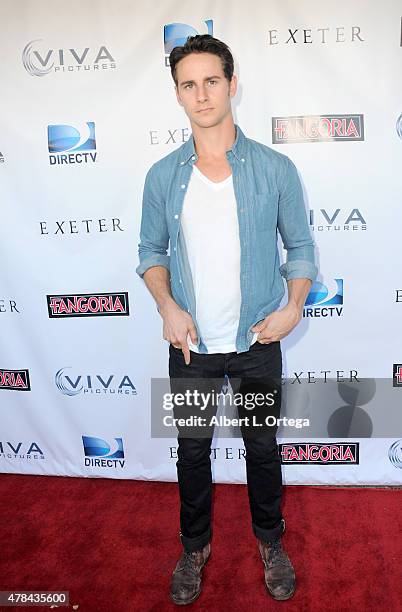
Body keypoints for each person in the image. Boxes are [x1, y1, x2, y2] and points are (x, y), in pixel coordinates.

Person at [136, 34, 317, 605]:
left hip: (258, 341)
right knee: (191, 450)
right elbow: (151, 252)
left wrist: (292, 307)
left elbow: (302, 248)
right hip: (190, 347)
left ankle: (270, 540)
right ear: (178, 95)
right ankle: (194, 546)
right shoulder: (162, 176)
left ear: (232, 85)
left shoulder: (275, 168)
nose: (202, 94)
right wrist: (167, 306)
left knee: (262, 447)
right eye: (188, 84)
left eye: (211, 81)